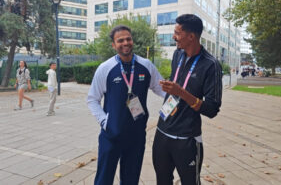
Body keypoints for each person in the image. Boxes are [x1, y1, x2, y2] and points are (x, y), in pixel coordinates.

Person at [87, 25, 165, 185]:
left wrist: (170, 108)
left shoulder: (146, 65)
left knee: (131, 180)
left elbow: (164, 90)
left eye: (128, 39)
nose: (125, 43)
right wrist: (104, 121)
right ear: (113, 45)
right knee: (103, 179)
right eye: (120, 40)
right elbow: (92, 99)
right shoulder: (106, 68)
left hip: (136, 136)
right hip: (111, 136)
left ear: (132, 41)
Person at [152, 14, 222, 185]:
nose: (173, 37)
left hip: (187, 139)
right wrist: (171, 88)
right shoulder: (178, 54)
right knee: (162, 180)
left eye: (177, 33)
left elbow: (212, 109)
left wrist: (181, 92)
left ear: (191, 36)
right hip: (162, 132)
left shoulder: (211, 65)